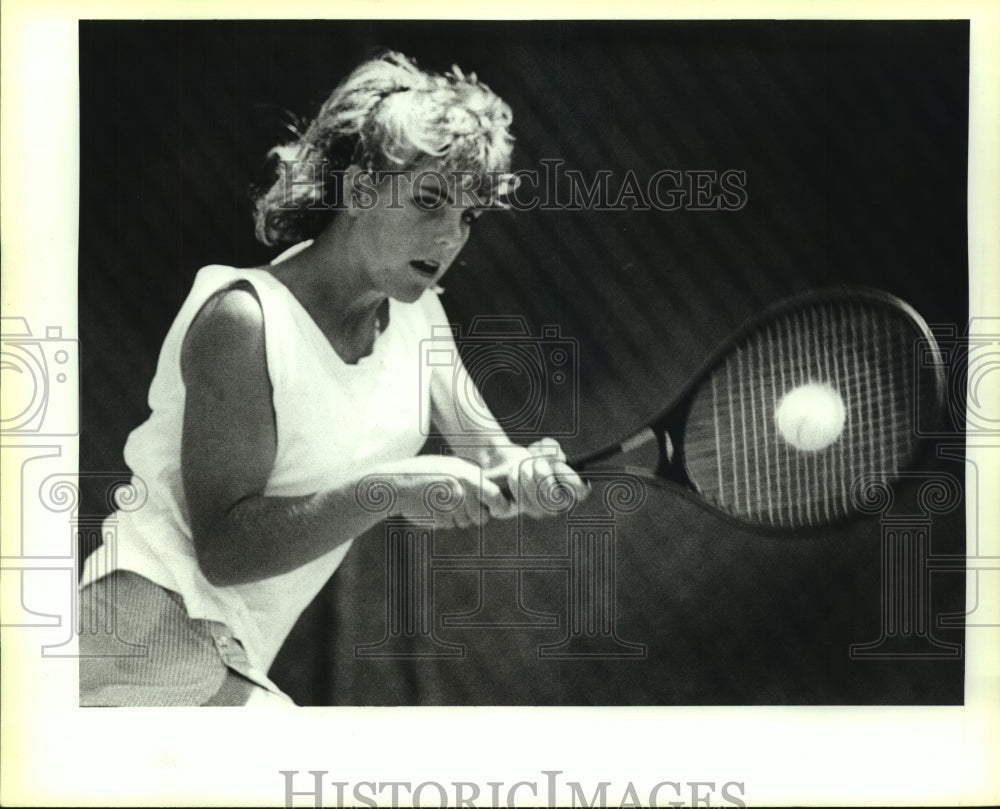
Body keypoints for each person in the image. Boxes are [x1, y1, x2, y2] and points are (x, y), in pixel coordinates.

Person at [78, 51, 588, 706]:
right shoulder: (245, 320)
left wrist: (529, 473)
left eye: (469, 214)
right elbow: (226, 550)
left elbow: (492, 457)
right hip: (134, 644)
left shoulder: (419, 318)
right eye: (430, 199)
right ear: (359, 186)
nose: (451, 235)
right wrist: (389, 489)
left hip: (220, 665)